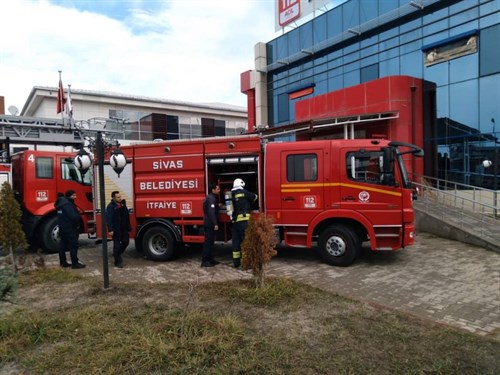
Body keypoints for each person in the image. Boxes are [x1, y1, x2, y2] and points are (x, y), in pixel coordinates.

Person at [230, 178, 258, 268]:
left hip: (234, 222)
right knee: (246, 242)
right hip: (244, 221)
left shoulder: (231, 194)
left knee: (236, 242)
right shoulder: (245, 192)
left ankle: (236, 263)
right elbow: (255, 197)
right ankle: (246, 263)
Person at [55, 190, 86, 269]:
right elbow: (74, 216)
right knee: (73, 245)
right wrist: (78, 224)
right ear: (70, 196)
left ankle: (63, 262)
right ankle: (75, 263)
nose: (75, 197)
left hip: (62, 227)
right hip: (70, 228)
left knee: (63, 245)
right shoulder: (68, 204)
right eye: (73, 195)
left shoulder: (60, 204)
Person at [106, 191, 131, 268]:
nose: (120, 198)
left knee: (126, 242)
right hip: (116, 229)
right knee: (116, 245)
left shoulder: (122, 205)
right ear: (113, 198)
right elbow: (109, 219)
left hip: (123, 228)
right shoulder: (111, 207)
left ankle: (117, 254)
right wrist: (110, 229)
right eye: (118, 197)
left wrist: (128, 226)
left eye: (120, 197)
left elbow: (126, 216)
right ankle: (117, 261)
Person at [201, 183, 221, 267]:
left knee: (211, 242)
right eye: (217, 189)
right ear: (213, 190)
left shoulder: (210, 197)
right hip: (209, 223)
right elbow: (211, 212)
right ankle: (205, 261)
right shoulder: (211, 198)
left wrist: (217, 205)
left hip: (209, 222)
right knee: (208, 242)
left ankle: (210, 259)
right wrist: (215, 223)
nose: (219, 190)